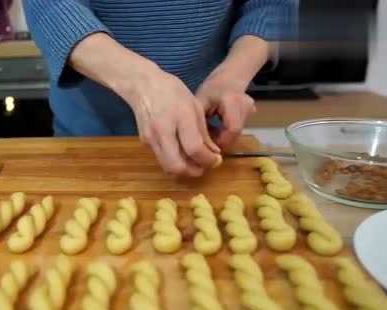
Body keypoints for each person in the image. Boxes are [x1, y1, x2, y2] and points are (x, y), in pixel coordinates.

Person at [24, 0, 296, 177]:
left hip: (206, 137)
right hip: (89, 143)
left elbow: (271, 6)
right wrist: (141, 82)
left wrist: (232, 75)